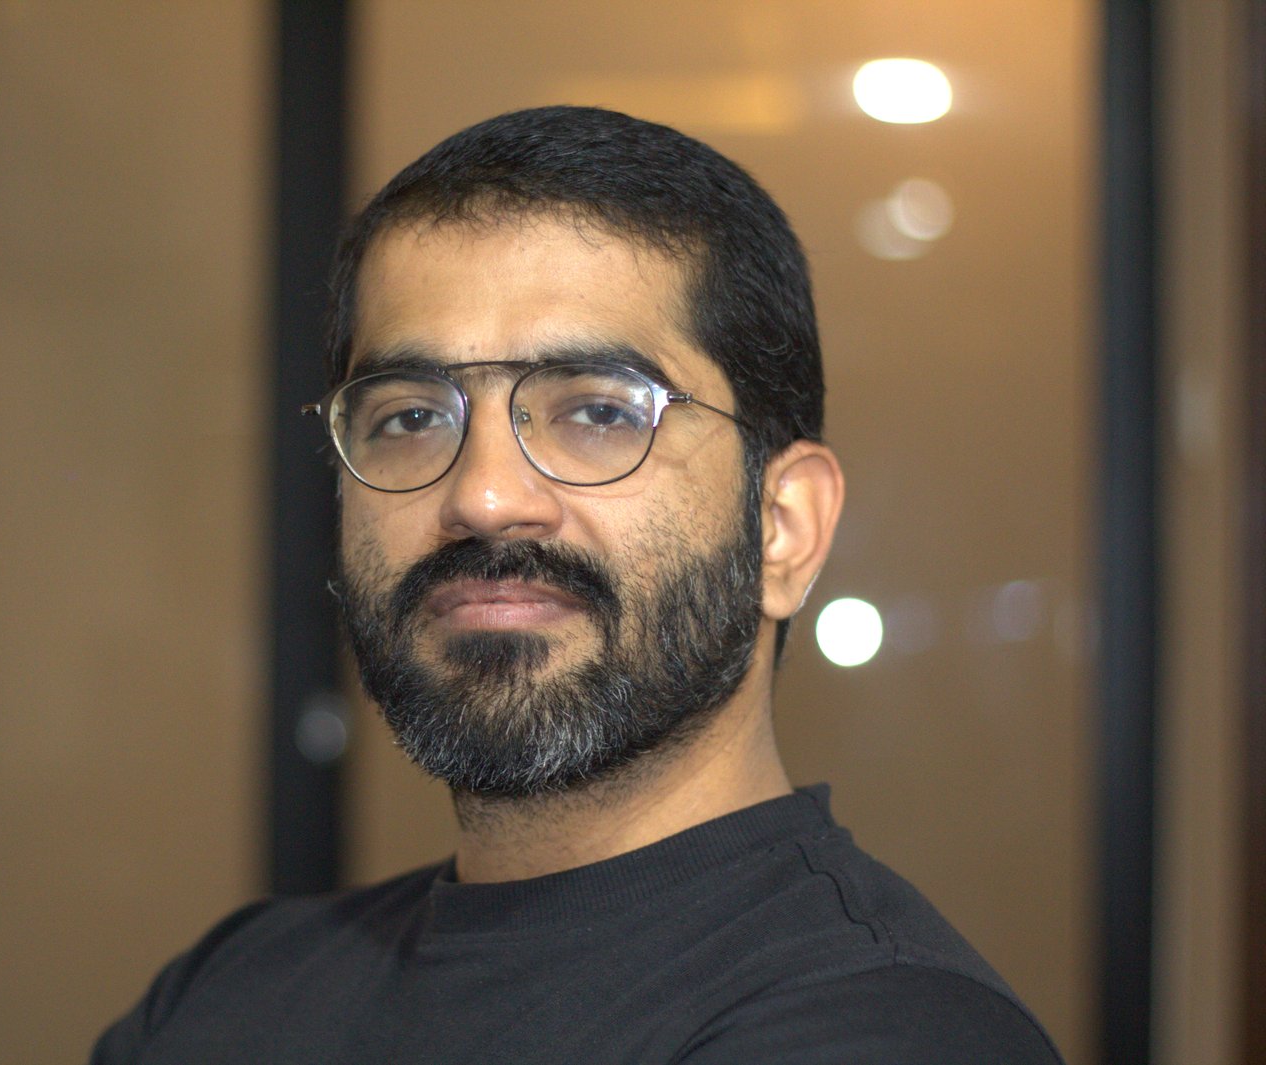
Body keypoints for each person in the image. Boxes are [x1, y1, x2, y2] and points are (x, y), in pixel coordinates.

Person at [91, 105, 1063, 1064]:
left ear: (782, 527)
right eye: (409, 417)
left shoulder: (884, 1026)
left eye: (599, 412)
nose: (482, 497)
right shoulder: (224, 993)